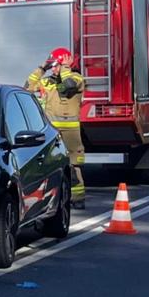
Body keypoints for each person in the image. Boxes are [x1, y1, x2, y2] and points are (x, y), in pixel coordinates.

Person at [27, 47, 87, 208]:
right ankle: (48, 201)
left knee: (73, 166)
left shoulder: (77, 78)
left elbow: (67, 86)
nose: (53, 68)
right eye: (51, 65)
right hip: (51, 131)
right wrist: (42, 68)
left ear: (64, 65)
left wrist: (65, 68)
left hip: (70, 133)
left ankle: (78, 198)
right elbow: (28, 87)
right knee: (48, 166)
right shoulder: (47, 81)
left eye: (55, 65)